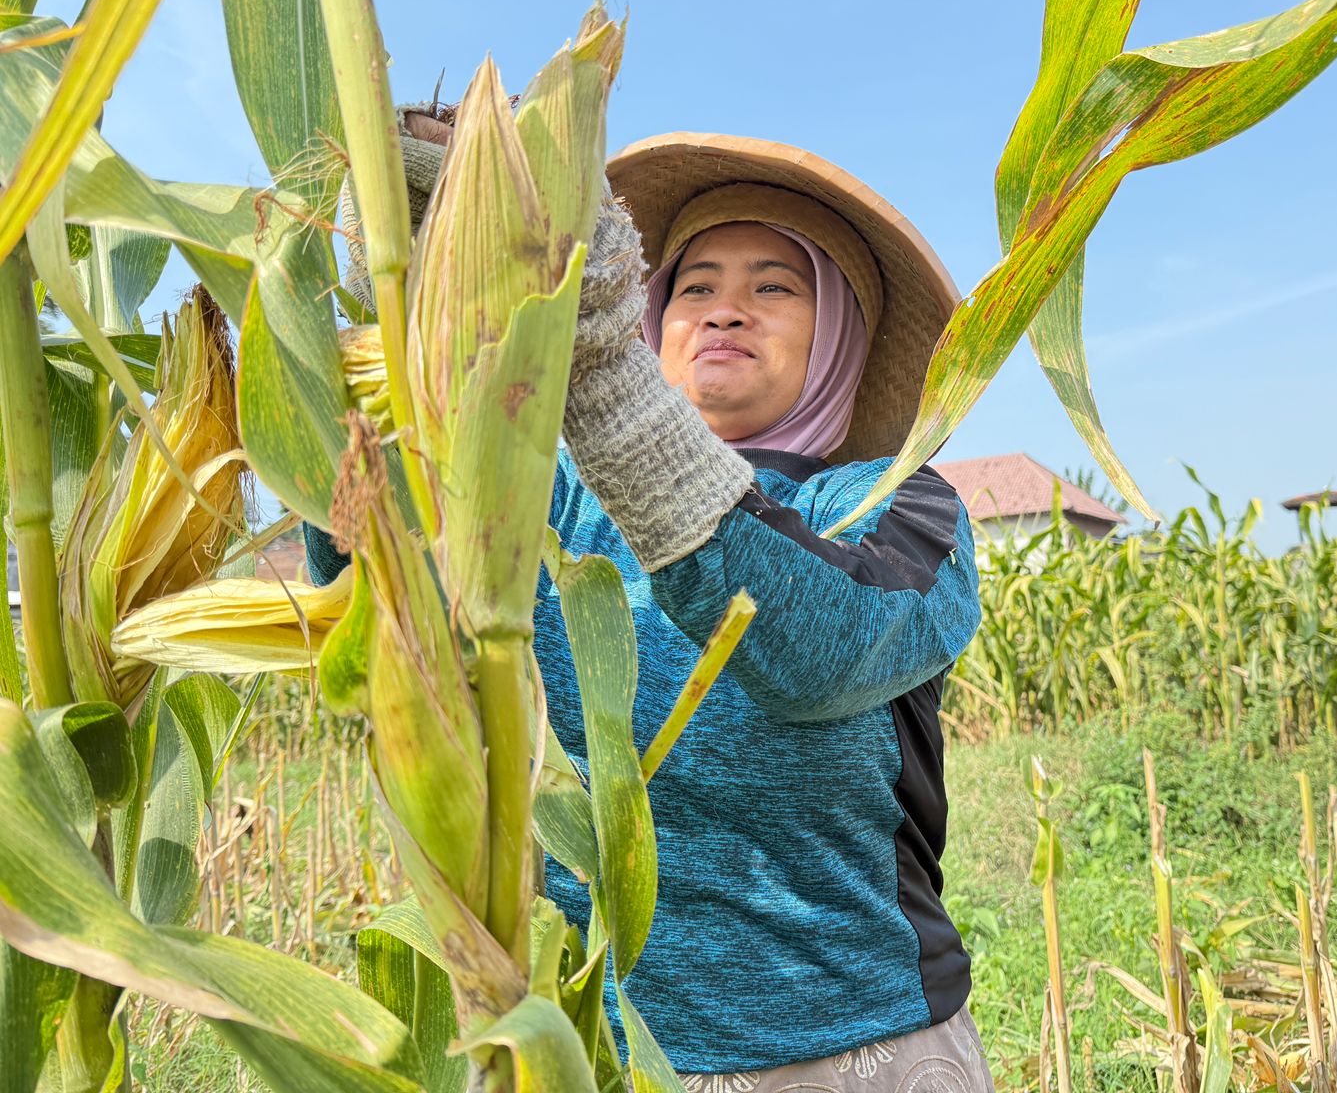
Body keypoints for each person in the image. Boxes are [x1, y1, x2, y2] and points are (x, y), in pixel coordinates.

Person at [310, 117, 992, 1091]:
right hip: (587, 1043)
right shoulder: (544, 495)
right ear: (651, 316)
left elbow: (817, 653)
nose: (724, 311)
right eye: (694, 287)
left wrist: (600, 382)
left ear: (838, 333)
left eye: (774, 286)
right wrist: (384, 280)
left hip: (847, 1042)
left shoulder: (893, 502)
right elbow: (375, 572)